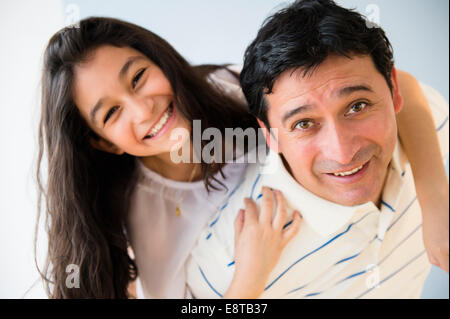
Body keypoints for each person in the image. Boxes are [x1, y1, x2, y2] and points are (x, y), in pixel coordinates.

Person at [185, 0, 449, 298]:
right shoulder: (228, 260)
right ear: (270, 134)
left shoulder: (432, 124)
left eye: (357, 106)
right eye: (304, 123)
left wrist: (437, 199)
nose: (342, 152)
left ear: (393, 91)